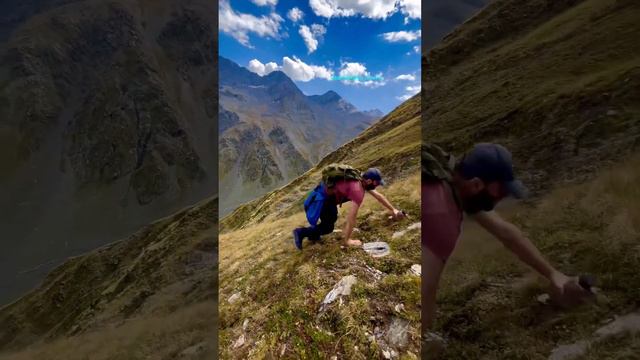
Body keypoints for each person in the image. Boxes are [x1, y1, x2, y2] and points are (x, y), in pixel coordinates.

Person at [422, 143, 591, 347]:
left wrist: (553, 274)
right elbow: (425, 291)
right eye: (498, 193)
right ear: (476, 185)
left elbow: (507, 233)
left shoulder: (447, 175)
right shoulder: (441, 219)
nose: (497, 201)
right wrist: (426, 335)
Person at [293, 167, 406, 249]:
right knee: (328, 227)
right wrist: (347, 241)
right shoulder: (357, 190)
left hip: (325, 194)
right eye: (376, 183)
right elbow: (352, 218)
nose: (376, 186)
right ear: (369, 181)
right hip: (324, 200)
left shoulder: (360, 178)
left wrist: (393, 210)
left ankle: (313, 236)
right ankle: (301, 232)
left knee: (329, 221)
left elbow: (379, 196)